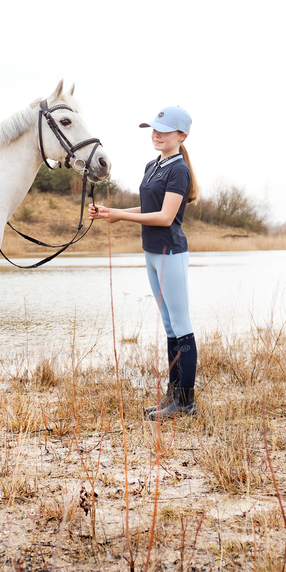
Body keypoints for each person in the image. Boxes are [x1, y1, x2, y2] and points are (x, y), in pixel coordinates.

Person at [88, 106, 199, 420]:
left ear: (181, 136)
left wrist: (121, 216)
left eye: (164, 130)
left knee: (181, 325)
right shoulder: (153, 165)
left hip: (170, 253)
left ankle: (186, 403)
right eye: (154, 128)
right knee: (169, 326)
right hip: (151, 251)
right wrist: (113, 212)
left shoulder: (179, 169)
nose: (157, 134)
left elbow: (165, 217)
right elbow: (151, 205)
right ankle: (173, 397)